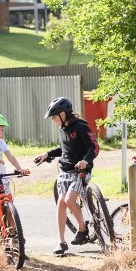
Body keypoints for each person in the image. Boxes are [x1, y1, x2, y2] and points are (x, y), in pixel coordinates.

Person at [33, 97, 99, 256]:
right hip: (65, 172)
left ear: (63, 114)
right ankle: (61, 242)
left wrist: (85, 160)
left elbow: (94, 147)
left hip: (80, 171)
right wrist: (47, 154)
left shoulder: (81, 126)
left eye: (54, 116)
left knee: (69, 200)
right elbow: (65, 150)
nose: (53, 120)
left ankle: (82, 229)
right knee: (62, 202)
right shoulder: (62, 129)